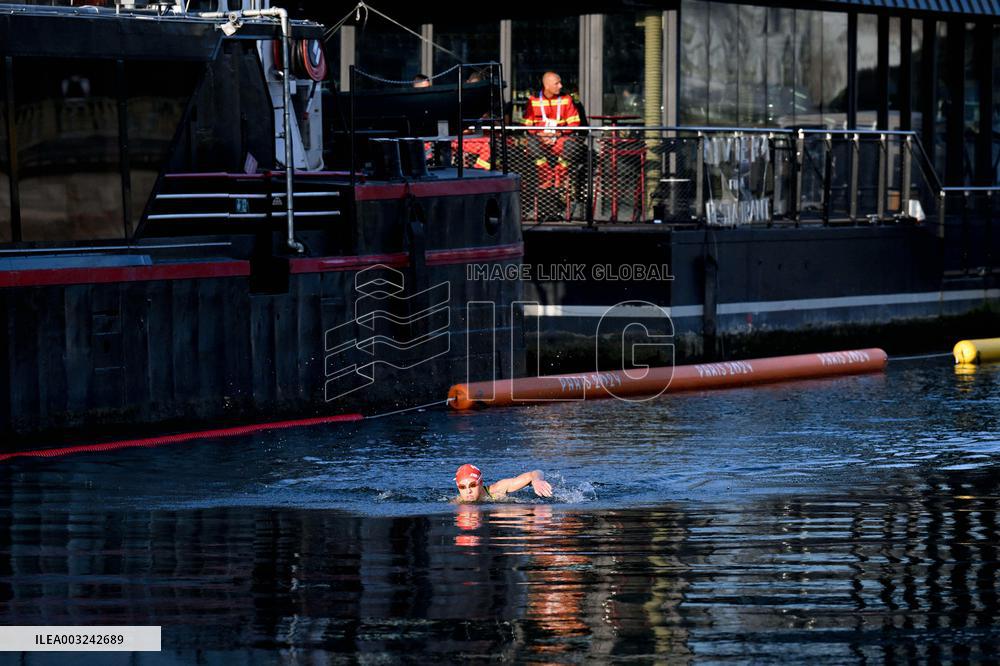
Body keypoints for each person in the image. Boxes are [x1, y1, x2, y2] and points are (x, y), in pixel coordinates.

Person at [522, 71, 581, 190]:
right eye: (557, 83)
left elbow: (574, 123)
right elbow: (527, 124)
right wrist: (540, 134)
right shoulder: (533, 100)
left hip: (560, 139)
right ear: (547, 85)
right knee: (532, 144)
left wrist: (559, 133)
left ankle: (559, 178)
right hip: (541, 140)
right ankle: (547, 177)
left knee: (572, 145)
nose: (561, 86)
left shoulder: (566, 99)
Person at [453, 463, 553, 504]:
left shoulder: (499, 488)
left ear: (481, 482)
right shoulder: (457, 502)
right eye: (462, 487)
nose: (468, 491)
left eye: (473, 485)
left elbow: (536, 472)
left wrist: (537, 481)